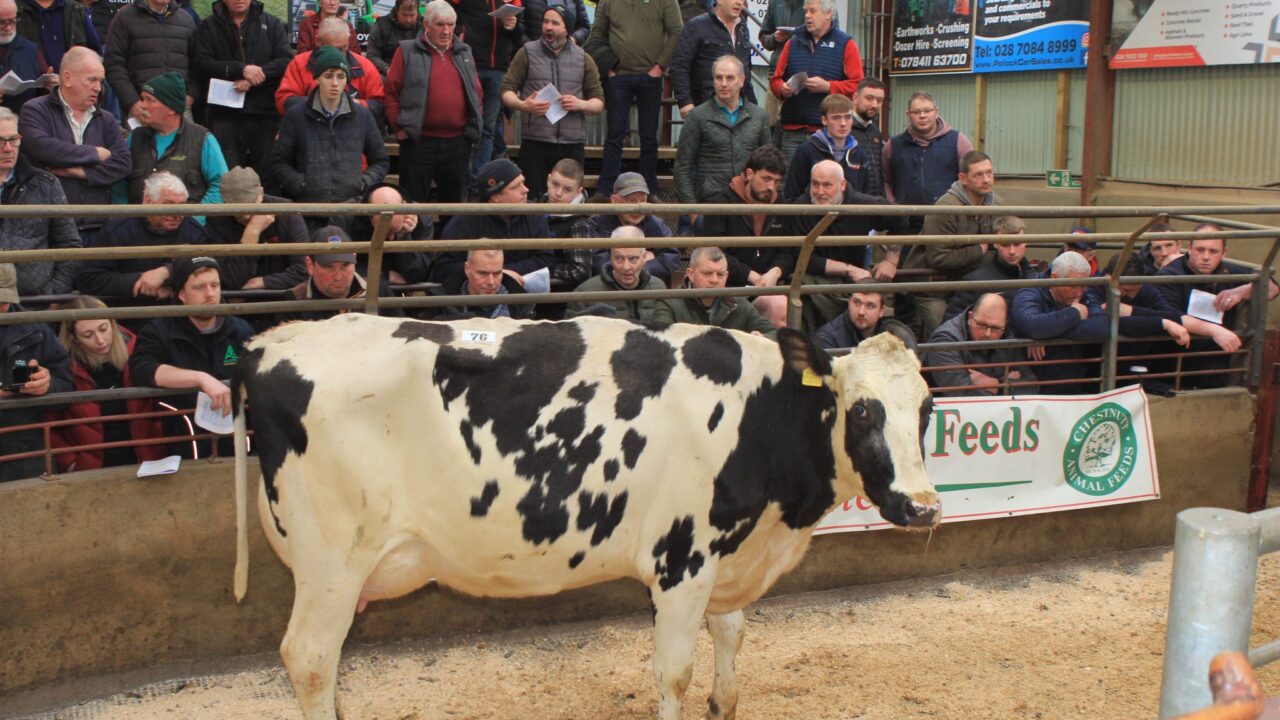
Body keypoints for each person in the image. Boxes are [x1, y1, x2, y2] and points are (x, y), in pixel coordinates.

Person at [129, 255, 253, 458]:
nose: (210, 294)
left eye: (215, 285)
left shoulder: (240, 329)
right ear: (181, 294)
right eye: (199, 287)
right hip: (182, 446)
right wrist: (200, 379)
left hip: (238, 445)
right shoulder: (158, 331)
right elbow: (143, 369)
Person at [18, 46, 129, 243]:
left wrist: (82, 173)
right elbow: (43, 148)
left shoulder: (106, 119)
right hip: (48, 227)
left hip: (96, 228)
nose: (98, 88)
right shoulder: (35, 110)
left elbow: (123, 164)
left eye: (100, 81)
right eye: (91, 80)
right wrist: (95, 153)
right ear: (67, 78)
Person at [48, 294, 167, 472]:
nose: (100, 340)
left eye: (104, 329)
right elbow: (51, 423)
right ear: (73, 338)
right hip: (92, 471)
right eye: (88, 335)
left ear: (113, 324)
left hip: (146, 464)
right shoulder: (65, 368)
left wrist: (160, 448)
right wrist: (71, 462)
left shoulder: (140, 353)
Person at [787, 158, 907, 332]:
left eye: (827, 185)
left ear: (842, 185)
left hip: (853, 283)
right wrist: (849, 269)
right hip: (814, 280)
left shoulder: (862, 204)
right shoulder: (801, 208)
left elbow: (901, 217)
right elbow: (802, 258)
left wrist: (891, 260)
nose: (820, 192)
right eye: (815, 184)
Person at [500, 4, 604, 200]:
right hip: (535, 143)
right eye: (545, 22)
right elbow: (506, 91)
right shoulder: (527, 52)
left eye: (555, 23)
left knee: (570, 204)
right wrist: (524, 105)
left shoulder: (583, 58)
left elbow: (598, 102)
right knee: (533, 202)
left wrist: (580, 104)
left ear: (567, 28)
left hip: (572, 145)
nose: (548, 27)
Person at [1155, 227, 1279, 389]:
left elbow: (1272, 289)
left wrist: (1242, 291)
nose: (1206, 257)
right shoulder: (1169, 275)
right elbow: (1170, 315)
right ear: (1190, 248)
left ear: (1224, 253)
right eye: (1200, 250)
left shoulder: (1229, 272)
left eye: (1213, 251)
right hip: (1173, 365)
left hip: (1215, 366)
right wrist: (1214, 330)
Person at [383, 0, 480, 207]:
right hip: (418, 142)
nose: (446, 31)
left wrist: (471, 131)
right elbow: (391, 93)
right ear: (426, 25)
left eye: (451, 24)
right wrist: (400, 129)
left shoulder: (464, 52)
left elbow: (476, 93)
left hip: (457, 144)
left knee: (453, 208)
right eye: (440, 24)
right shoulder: (407, 51)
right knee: (412, 206)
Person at [584, 0, 683, 199]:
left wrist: (660, 67)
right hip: (618, 77)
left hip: (651, 76)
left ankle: (650, 189)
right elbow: (597, 35)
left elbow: (677, 32)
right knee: (614, 134)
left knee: (649, 137)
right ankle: (605, 188)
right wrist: (609, 68)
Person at [268, 45, 389, 207]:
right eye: (328, 76)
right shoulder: (296, 116)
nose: (335, 83)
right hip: (309, 207)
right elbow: (278, 162)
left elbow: (380, 160)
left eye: (341, 76)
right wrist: (302, 185)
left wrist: (363, 183)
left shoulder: (362, 115)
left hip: (353, 207)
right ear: (316, 78)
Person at [902, 150, 1002, 339]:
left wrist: (985, 253)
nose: (987, 179)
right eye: (979, 174)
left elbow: (1001, 250)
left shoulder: (996, 205)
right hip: (933, 288)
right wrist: (980, 250)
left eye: (989, 173)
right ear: (963, 178)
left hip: (970, 283)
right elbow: (939, 259)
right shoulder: (945, 208)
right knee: (948, 335)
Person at [78, 171, 208, 309]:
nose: (177, 214)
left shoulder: (194, 231)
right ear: (148, 201)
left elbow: (208, 268)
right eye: (169, 205)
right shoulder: (117, 230)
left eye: (182, 206)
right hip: (128, 314)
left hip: (179, 313)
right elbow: (89, 279)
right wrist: (139, 281)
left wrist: (167, 272)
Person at [191, 0, 293, 172]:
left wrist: (256, 76)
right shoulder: (208, 26)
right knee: (228, 174)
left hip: (265, 112)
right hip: (224, 114)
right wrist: (239, 70)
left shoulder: (272, 23)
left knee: (269, 174)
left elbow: (285, 60)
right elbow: (202, 64)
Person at [699, 145, 790, 327]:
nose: (772, 187)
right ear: (749, 174)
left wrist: (776, 271)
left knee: (780, 305)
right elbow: (715, 253)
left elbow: (788, 251)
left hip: (768, 284)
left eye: (777, 182)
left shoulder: (783, 206)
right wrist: (751, 276)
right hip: (728, 285)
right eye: (766, 179)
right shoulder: (720, 204)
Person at [0, 262, 73, 482]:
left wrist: (47, 385)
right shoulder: (34, 329)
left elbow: (67, 390)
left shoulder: (36, 330)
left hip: (23, 451)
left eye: (4, 301)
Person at [0, 107, 82, 299]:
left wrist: (52, 294)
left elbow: (69, 245)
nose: (8, 148)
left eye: (13, 139)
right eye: (0, 141)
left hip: (33, 301)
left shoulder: (46, 184)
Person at [768, 0, 863, 163]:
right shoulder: (792, 42)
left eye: (813, 11)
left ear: (828, 14)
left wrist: (828, 86)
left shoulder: (846, 44)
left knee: (824, 185)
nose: (807, 16)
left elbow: (858, 85)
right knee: (791, 186)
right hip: (792, 131)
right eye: (806, 11)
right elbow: (775, 80)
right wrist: (782, 89)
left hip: (827, 134)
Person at [432, 158, 554, 285]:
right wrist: (495, 274)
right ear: (495, 198)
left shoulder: (534, 214)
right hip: (474, 298)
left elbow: (546, 260)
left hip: (522, 295)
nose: (525, 189)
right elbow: (445, 268)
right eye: (516, 187)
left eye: (523, 182)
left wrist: (501, 273)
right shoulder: (465, 221)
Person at [673, 54, 769, 207]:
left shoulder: (759, 116)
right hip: (709, 201)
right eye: (718, 78)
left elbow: (768, 165)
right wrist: (691, 210)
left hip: (748, 201)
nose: (723, 83)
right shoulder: (697, 116)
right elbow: (682, 168)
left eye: (730, 78)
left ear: (742, 80)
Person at [124, 72, 227, 206]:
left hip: (187, 225)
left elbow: (221, 186)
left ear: (171, 109)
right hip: (136, 225)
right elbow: (120, 184)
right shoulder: (135, 138)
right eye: (142, 99)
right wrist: (124, 217)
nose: (142, 105)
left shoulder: (203, 139)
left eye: (149, 100)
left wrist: (195, 219)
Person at [1010, 251, 1106, 395]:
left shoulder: (1084, 294)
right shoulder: (1030, 292)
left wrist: (1048, 333)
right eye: (1073, 286)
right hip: (1035, 390)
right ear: (1054, 278)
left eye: (1084, 286)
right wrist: (1075, 314)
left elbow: (1103, 327)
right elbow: (1033, 325)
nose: (1079, 293)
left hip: (1074, 386)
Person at [203, 166, 309, 292]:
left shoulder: (286, 211)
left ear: (261, 194)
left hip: (281, 298)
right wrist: (252, 231)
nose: (246, 215)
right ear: (224, 202)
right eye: (238, 210)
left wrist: (262, 282)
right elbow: (230, 280)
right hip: (237, 305)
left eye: (250, 204)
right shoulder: (216, 221)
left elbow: (304, 270)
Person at [883, 91, 973, 233]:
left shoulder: (958, 141)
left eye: (927, 110)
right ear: (908, 115)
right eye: (916, 112)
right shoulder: (893, 146)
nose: (922, 116)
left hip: (947, 222)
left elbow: (971, 180)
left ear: (936, 112)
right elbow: (886, 180)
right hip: (905, 224)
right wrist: (893, 205)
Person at [450, 0, 522, 176]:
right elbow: (447, 8)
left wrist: (514, 26)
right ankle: (461, 175)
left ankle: (476, 179)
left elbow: (520, 35)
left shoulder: (512, 2)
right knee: (466, 123)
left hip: (499, 68)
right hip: (471, 65)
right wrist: (459, 33)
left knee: (488, 128)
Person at [275, 225, 402, 323]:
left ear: (354, 258)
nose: (338, 276)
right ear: (310, 265)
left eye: (345, 265)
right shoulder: (293, 301)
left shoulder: (378, 289)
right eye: (328, 267)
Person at [103, 0, 197, 125]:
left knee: (187, 144)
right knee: (141, 144)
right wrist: (132, 102)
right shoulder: (125, 17)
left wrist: (191, 96)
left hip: (179, 109)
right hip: (141, 108)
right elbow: (113, 64)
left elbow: (197, 63)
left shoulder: (186, 19)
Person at [652, 246, 777, 338]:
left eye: (720, 274)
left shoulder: (738, 302)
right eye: (707, 273)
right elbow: (659, 341)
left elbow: (773, 333)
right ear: (690, 274)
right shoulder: (668, 302)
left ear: (727, 276)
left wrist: (761, 338)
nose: (714, 280)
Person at [927, 293, 1035, 396]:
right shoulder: (945, 340)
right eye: (982, 325)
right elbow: (961, 394)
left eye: (995, 328)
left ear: (1004, 325)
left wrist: (997, 385)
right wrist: (1007, 383)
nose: (987, 334)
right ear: (970, 317)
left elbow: (1031, 387)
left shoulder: (1006, 334)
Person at [326, 182, 433, 284]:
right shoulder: (345, 216)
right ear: (370, 217)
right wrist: (384, 276)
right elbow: (336, 267)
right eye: (386, 232)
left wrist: (403, 237)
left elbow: (419, 273)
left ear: (404, 208)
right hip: (359, 287)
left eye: (394, 232)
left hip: (400, 290)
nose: (391, 238)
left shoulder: (421, 217)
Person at [275, 17, 383, 117]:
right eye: (335, 49)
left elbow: (379, 104)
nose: (340, 54)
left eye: (344, 47)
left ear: (348, 39)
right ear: (318, 42)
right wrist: (321, 103)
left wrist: (355, 104)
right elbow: (284, 101)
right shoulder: (299, 64)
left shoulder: (365, 66)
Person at [586, 172, 681, 285]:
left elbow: (671, 262)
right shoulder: (597, 224)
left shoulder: (655, 223)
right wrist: (643, 261)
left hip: (647, 288)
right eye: (632, 201)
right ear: (614, 201)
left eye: (643, 200)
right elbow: (599, 264)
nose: (638, 207)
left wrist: (638, 267)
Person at [669, 0, 754, 118]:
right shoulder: (697, 26)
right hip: (705, 105)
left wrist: (752, 103)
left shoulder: (742, 28)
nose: (739, 3)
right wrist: (685, 102)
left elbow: (746, 68)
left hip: (741, 107)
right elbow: (679, 66)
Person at [943, 215, 1035, 322]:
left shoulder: (1035, 277)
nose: (1012, 251)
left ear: (1026, 242)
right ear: (995, 244)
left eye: (1017, 243)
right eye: (1005, 244)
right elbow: (951, 323)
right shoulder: (976, 282)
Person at [782, 92, 870, 201]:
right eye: (836, 118)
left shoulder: (860, 154)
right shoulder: (806, 151)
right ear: (824, 120)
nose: (843, 123)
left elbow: (865, 197)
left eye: (848, 117)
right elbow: (792, 194)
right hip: (813, 216)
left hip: (850, 217)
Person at [568, 227, 666, 320]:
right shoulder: (584, 295)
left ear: (644, 258)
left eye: (633, 259)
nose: (626, 267)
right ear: (610, 256)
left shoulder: (659, 288)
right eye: (619, 258)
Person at [424, 248, 534, 319]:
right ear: (467, 269)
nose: (491, 282)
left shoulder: (521, 305)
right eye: (483, 274)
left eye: (496, 274)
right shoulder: (440, 303)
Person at [540, 157, 593, 289]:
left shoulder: (579, 223)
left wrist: (542, 269)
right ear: (548, 179)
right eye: (555, 184)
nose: (558, 193)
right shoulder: (533, 207)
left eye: (567, 189)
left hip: (557, 296)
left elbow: (581, 271)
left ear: (578, 192)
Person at [813, 285, 916, 352]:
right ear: (849, 303)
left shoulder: (894, 334)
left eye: (870, 306)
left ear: (882, 311)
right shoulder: (826, 338)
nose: (861, 312)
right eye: (856, 302)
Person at [14, 0, 99, 74]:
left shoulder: (75, 10)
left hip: (70, 88)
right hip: (31, 89)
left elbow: (95, 54)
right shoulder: (14, 11)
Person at [1, 0, 57, 113]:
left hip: (24, 119)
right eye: (2, 23)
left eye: (12, 21)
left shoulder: (30, 50)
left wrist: (50, 85)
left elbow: (43, 95)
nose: (8, 28)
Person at [850, 77, 885, 198]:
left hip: (875, 203)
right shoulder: (843, 130)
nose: (874, 105)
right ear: (855, 98)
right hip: (852, 206)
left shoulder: (876, 132)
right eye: (869, 98)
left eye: (879, 100)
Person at [367, 0, 420, 74]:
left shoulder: (425, 26)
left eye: (412, 15)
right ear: (397, 10)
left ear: (417, 11)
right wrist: (387, 70)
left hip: (419, 73)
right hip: (388, 73)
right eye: (404, 15)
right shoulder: (382, 25)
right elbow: (372, 55)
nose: (408, 20)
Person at [295, 0, 363, 55]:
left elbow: (355, 53)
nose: (332, 3)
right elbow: (302, 53)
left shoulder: (347, 25)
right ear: (319, 3)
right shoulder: (307, 24)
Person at [757, 0, 803, 71]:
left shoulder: (813, 3)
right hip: (777, 68)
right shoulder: (775, 3)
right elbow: (763, 37)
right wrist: (774, 38)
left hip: (803, 68)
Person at [522, 0, 589, 47]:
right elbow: (517, 27)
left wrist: (574, 39)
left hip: (566, 56)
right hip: (533, 58)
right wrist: (531, 48)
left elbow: (584, 27)